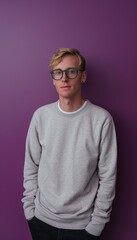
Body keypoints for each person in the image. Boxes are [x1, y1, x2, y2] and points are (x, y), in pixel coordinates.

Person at [22, 48, 117, 240]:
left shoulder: (101, 119)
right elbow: (31, 165)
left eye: (71, 71)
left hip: (83, 227)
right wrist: (29, 210)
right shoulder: (41, 116)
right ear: (53, 79)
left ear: (82, 76)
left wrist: (97, 224)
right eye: (58, 73)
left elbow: (108, 175)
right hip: (41, 220)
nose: (64, 78)